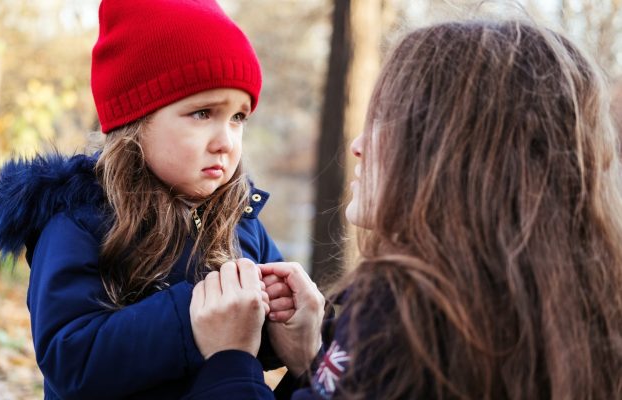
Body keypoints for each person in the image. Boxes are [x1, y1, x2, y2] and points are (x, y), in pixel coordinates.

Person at [184, 18, 622, 399]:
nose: (357, 146)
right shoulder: (567, 313)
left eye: (387, 122)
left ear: (455, 154)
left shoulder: (407, 314)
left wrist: (230, 358)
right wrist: (311, 360)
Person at [0, 0, 292, 398]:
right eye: (202, 113)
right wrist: (191, 320)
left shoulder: (242, 221)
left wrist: (284, 316)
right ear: (135, 119)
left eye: (238, 118)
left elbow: (255, 347)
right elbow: (69, 360)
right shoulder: (80, 222)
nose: (225, 142)